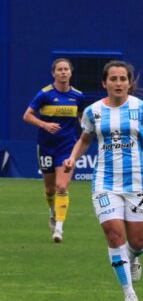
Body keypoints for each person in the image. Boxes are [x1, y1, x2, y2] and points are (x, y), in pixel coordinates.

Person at [63, 60, 143, 301]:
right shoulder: (93, 112)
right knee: (113, 234)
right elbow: (85, 140)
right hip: (105, 182)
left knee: (137, 243)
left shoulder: (142, 108)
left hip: (138, 182)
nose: (118, 83)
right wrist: (72, 158)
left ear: (129, 83)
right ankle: (129, 293)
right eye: (113, 79)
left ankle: (135, 257)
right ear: (104, 83)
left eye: (123, 79)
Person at [22, 58, 85, 242]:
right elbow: (27, 116)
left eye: (66, 69)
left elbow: (81, 117)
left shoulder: (78, 96)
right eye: (60, 69)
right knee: (50, 190)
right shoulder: (45, 94)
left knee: (62, 186)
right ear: (54, 73)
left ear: (71, 73)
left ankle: (59, 229)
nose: (63, 72)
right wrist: (45, 124)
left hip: (68, 146)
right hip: (47, 146)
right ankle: (52, 212)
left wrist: (87, 131)